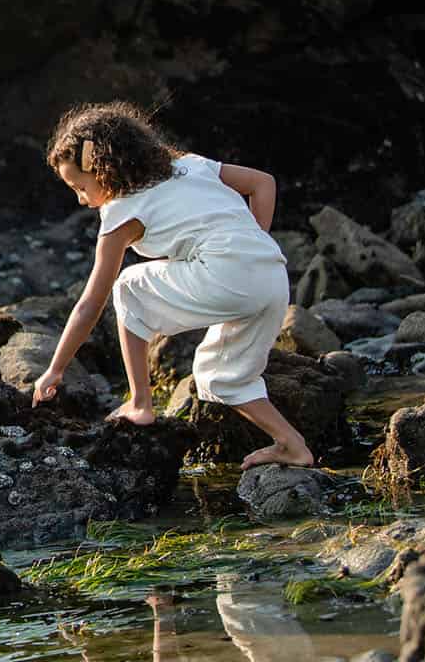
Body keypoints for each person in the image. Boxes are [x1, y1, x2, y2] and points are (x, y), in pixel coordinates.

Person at [31, 101, 312, 470]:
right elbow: (263, 183)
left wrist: (55, 368)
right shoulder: (191, 166)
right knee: (220, 375)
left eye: (80, 187)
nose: (81, 200)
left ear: (102, 169)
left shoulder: (119, 213)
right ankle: (292, 445)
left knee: (128, 287)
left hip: (228, 276)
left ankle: (141, 403)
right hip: (272, 273)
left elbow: (90, 302)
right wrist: (250, 247)